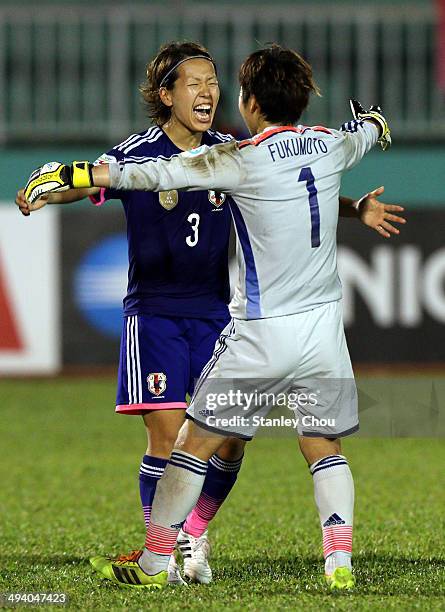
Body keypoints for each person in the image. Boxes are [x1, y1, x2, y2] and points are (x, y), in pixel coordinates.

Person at [22, 45, 404, 591]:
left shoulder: (235, 152)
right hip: (156, 312)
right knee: (171, 431)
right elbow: (105, 182)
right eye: (195, 83)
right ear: (167, 95)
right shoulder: (143, 151)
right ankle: (180, 554)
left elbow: (278, 187)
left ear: (245, 98)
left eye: (215, 81)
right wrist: (52, 191)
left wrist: (353, 207)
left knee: (222, 442)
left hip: (221, 314)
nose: (208, 93)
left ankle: (187, 540)